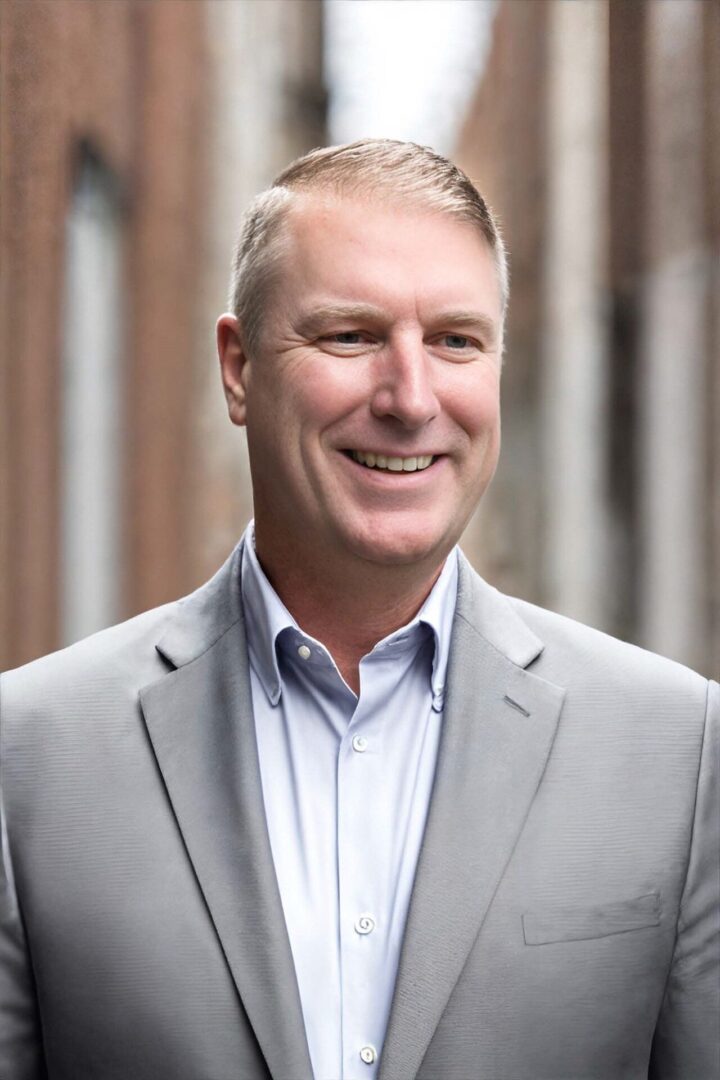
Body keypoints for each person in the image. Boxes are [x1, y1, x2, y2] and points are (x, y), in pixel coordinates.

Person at [0, 139, 717, 1080]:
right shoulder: (26, 760)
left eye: (456, 340)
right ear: (238, 369)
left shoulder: (681, 752)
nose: (411, 398)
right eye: (351, 335)